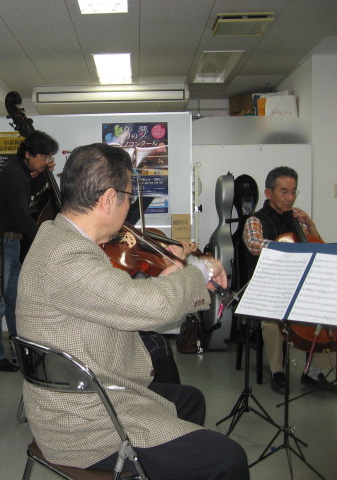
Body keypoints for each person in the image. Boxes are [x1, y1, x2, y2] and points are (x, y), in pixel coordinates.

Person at [16, 143, 248, 479]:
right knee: (228, 458)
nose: (130, 206)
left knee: (189, 399)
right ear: (109, 199)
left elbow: (116, 299)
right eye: (128, 196)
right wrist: (200, 270)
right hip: (84, 424)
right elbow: (153, 306)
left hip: (89, 391)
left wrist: (171, 278)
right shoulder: (67, 256)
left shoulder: (57, 236)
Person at [242, 166, 335, 394]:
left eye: (293, 192)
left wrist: (310, 225)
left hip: (299, 288)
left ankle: (313, 372)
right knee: (271, 323)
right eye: (284, 192)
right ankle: (278, 372)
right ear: (268, 193)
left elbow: (318, 248)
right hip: (270, 289)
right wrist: (285, 248)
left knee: (329, 314)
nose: (290, 198)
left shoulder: (298, 221)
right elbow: (254, 244)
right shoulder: (255, 220)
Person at [0, 130, 59, 372]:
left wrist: (41, 175)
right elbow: (23, 216)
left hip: (12, 243)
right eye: (44, 156)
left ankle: (21, 352)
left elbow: (27, 193)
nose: (46, 161)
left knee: (16, 302)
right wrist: (50, 240)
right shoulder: (13, 174)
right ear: (28, 154)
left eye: (49, 157)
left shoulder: (20, 173)